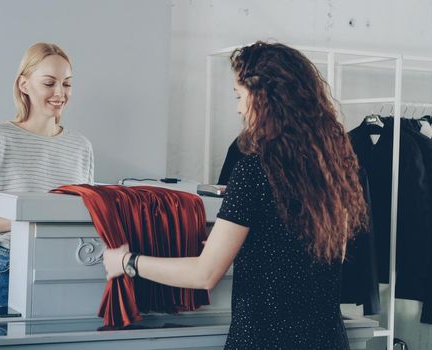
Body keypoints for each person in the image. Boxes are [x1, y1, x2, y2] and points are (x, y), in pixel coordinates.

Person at [103, 41, 367, 349]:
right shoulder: (336, 169)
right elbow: (299, 252)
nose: (238, 108)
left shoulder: (255, 171)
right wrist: (242, 247)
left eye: (239, 96)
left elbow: (204, 274)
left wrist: (127, 262)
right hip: (327, 341)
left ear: (265, 98)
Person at [0, 42, 94, 307]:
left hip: (65, 263)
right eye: (49, 83)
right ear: (23, 85)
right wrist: (31, 222)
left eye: (67, 83)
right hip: (7, 262)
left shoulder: (81, 147)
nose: (60, 93)